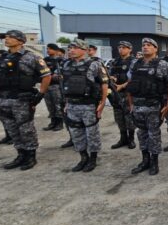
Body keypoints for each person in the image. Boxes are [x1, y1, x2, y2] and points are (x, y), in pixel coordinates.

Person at [0, 30, 51, 170]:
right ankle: (20, 154)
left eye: (10, 37)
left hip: (21, 100)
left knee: (26, 129)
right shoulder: (3, 57)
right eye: (5, 37)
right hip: (1, 100)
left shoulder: (32, 57)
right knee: (12, 130)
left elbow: (46, 76)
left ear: (20, 41)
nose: (6, 39)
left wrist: (40, 94)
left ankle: (31, 156)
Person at [126, 38, 168, 176]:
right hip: (138, 106)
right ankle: (144, 160)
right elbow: (130, 83)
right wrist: (130, 103)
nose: (145, 47)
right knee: (141, 134)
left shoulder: (163, 64)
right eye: (143, 45)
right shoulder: (135, 63)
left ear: (155, 49)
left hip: (153, 106)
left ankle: (154, 162)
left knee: (153, 135)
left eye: (149, 45)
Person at [62, 39, 109, 172]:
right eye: (70, 48)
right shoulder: (66, 65)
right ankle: (83, 157)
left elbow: (104, 85)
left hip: (88, 105)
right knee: (76, 133)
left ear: (84, 50)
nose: (71, 50)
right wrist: (66, 103)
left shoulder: (94, 64)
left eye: (75, 48)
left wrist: (102, 103)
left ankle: (93, 159)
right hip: (72, 105)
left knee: (91, 133)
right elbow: (66, 86)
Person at [108, 41, 136, 149]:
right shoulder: (115, 61)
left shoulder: (134, 62)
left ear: (130, 49)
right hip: (116, 92)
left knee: (129, 116)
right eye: (119, 47)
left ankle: (131, 139)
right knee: (119, 117)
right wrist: (112, 78)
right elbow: (110, 74)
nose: (121, 49)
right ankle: (123, 138)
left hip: (128, 93)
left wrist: (123, 86)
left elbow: (134, 77)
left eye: (124, 47)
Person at [42, 43, 64, 131]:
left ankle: (59, 123)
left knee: (58, 104)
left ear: (56, 50)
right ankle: (53, 122)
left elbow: (59, 74)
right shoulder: (45, 60)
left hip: (56, 86)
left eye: (50, 49)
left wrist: (50, 76)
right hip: (47, 85)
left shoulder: (60, 60)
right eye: (47, 49)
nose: (48, 50)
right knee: (49, 105)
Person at [0, 49, 13, 145]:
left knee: (9, 118)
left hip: (6, 95)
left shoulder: (9, 64)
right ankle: (8, 136)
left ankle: (12, 137)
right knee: (3, 118)